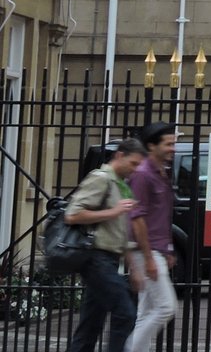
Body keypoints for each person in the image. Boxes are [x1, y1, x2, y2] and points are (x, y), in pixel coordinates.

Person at [64, 136, 145, 352]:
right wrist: (114, 211)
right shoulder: (101, 179)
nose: (135, 170)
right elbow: (72, 215)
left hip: (108, 259)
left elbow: (121, 233)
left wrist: (135, 268)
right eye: (133, 164)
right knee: (126, 312)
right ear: (120, 156)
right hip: (96, 257)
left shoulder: (120, 185)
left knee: (90, 326)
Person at [127, 123, 179, 352]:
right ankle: (129, 348)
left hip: (157, 249)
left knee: (146, 312)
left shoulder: (161, 173)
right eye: (168, 144)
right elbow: (137, 218)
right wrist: (148, 258)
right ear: (151, 146)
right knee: (167, 308)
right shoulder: (142, 175)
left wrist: (167, 249)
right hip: (145, 251)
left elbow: (161, 216)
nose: (173, 148)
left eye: (173, 143)